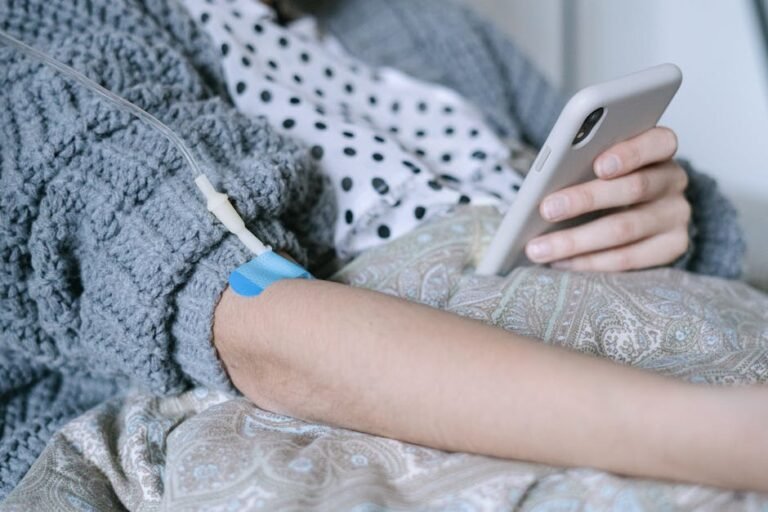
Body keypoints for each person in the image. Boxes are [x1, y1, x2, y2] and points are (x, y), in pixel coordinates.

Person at [0, 0, 759, 500]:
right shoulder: (49, 43)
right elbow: (266, 334)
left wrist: (655, 211)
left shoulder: (420, 23)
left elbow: (577, 178)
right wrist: (719, 436)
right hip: (353, 390)